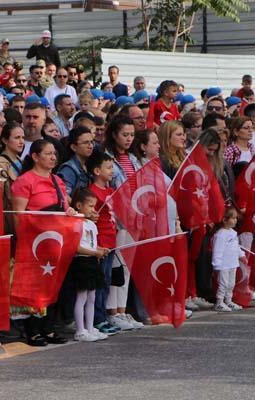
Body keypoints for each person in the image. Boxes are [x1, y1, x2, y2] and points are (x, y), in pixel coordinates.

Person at [11, 139, 74, 346]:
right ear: (35, 157)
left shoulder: (58, 180)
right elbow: (19, 215)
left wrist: (70, 212)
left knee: (53, 285)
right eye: (47, 154)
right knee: (33, 288)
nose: (53, 157)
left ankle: (49, 327)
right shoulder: (25, 181)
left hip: (56, 242)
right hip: (33, 242)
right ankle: (33, 331)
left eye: (54, 153)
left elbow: (65, 207)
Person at [102, 115, 143, 330]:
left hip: (134, 218)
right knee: (117, 267)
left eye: (132, 135)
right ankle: (112, 312)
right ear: (114, 134)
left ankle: (122, 310)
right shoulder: (107, 158)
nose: (129, 139)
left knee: (127, 268)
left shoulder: (133, 158)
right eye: (124, 135)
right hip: (118, 220)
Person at [87, 152, 121, 336]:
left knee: (107, 280)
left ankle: (103, 316)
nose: (112, 171)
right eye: (108, 167)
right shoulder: (92, 191)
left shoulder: (110, 191)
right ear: (97, 170)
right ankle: (97, 318)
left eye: (112, 167)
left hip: (111, 239)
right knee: (99, 282)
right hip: (100, 242)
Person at [70, 189, 109, 342]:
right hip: (82, 261)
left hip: (92, 261)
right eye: (90, 206)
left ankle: (90, 327)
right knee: (82, 297)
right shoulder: (76, 223)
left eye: (94, 206)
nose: (94, 210)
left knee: (92, 297)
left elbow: (92, 245)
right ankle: (80, 330)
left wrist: (100, 250)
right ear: (79, 206)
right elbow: (76, 247)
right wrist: (95, 253)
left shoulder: (92, 225)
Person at [0, 122, 24, 234]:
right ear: (5, 140)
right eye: (17, 138)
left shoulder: (21, 160)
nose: (21, 142)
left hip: (22, 216)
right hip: (8, 220)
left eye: (22, 138)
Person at [212, 207, 247, 312]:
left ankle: (228, 300)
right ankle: (219, 302)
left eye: (236, 218)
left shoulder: (233, 232)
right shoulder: (220, 234)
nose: (236, 220)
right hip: (223, 265)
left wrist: (241, 255)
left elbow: (236, 247)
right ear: (224, 220)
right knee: (223, 283)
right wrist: (216, 264)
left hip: (232, 263)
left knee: (231, 283)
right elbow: (217, 250)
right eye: (233, 218)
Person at [57, 126, 94, 196]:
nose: (90, 146)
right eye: (86, 143)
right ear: (74, 147)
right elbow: (64, 196)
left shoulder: (89, 165)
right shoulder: (68, 170)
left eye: (91, 142)